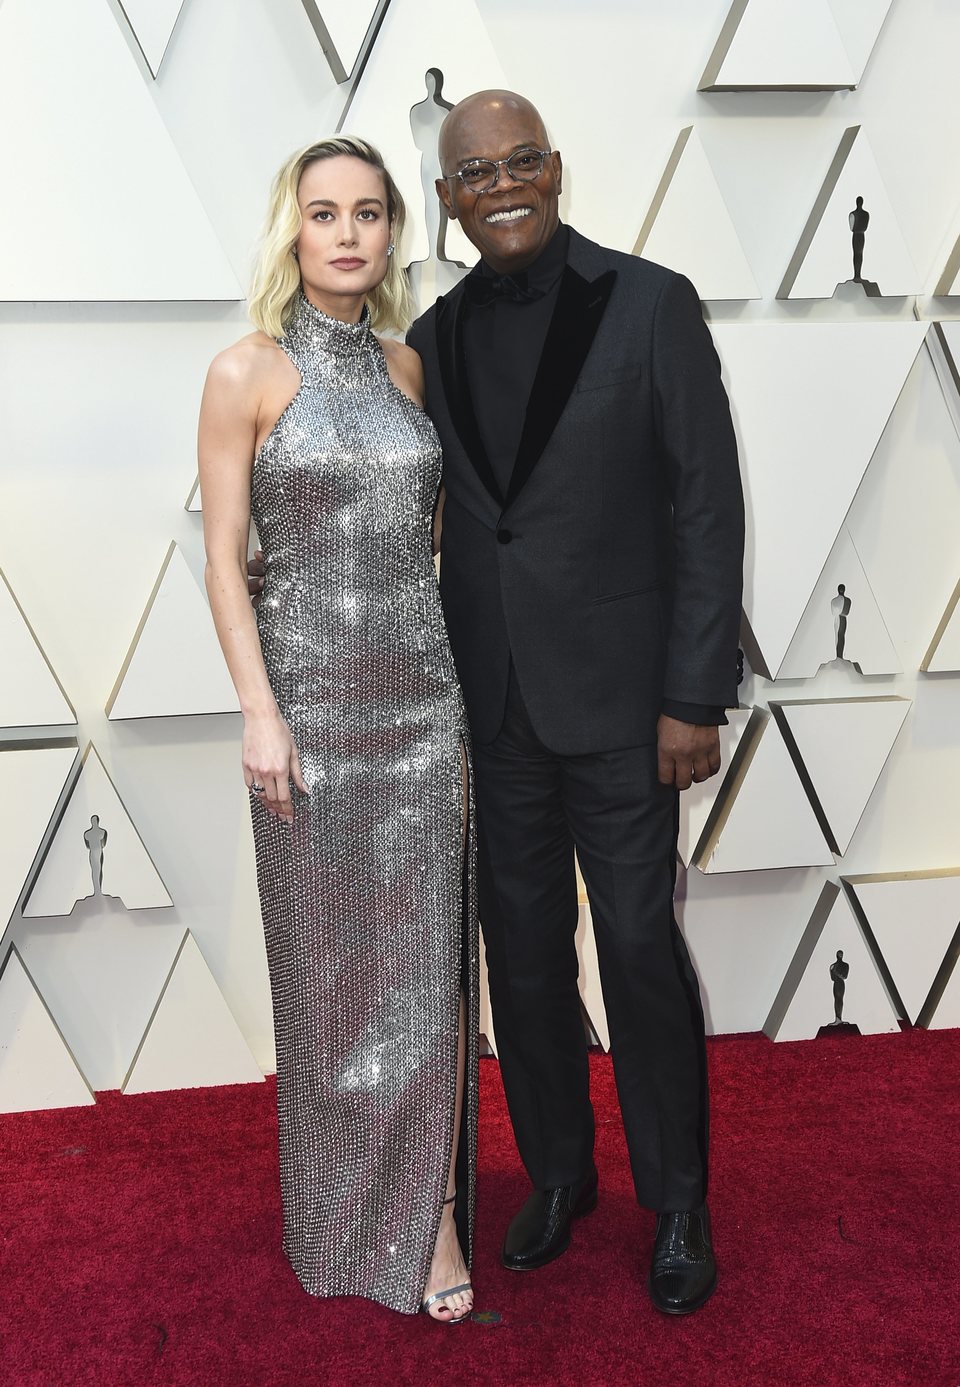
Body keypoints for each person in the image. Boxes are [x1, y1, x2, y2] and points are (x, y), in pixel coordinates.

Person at [406, 90, 745, 1315]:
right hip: (492, 709)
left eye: (519, 162)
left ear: (554, 168)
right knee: (526, 965)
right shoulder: (431, 337)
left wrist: (691, 694)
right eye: (472, 172)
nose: (500, 185)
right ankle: (559, 1173)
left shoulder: (650, 302)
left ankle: (678, 1201)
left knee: (643, 952)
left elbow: (708, 506)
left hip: (626, 709)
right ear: (446, 198)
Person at [198, 136, 478, 1324]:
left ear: (390, 233)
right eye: (326, 213)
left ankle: (435, 1219)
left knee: (422, 979)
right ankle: (335, 1212)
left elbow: (428, 544)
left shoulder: (412, 372)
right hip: (306, 718)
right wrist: (261, 713)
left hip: (423, 710)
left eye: (370, 213)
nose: (350, 233)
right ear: (293, 232)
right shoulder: (246, 373)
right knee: (327, 983)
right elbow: (222, 564)